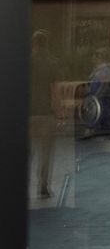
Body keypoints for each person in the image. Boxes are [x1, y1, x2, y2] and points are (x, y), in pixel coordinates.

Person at [29, 30, 61, 198]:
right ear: (46, 44)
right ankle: (43, 186)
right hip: (46, 113)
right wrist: (59, 112)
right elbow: (54, 90)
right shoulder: (52, 63)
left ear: (33, 43)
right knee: (46, 151)